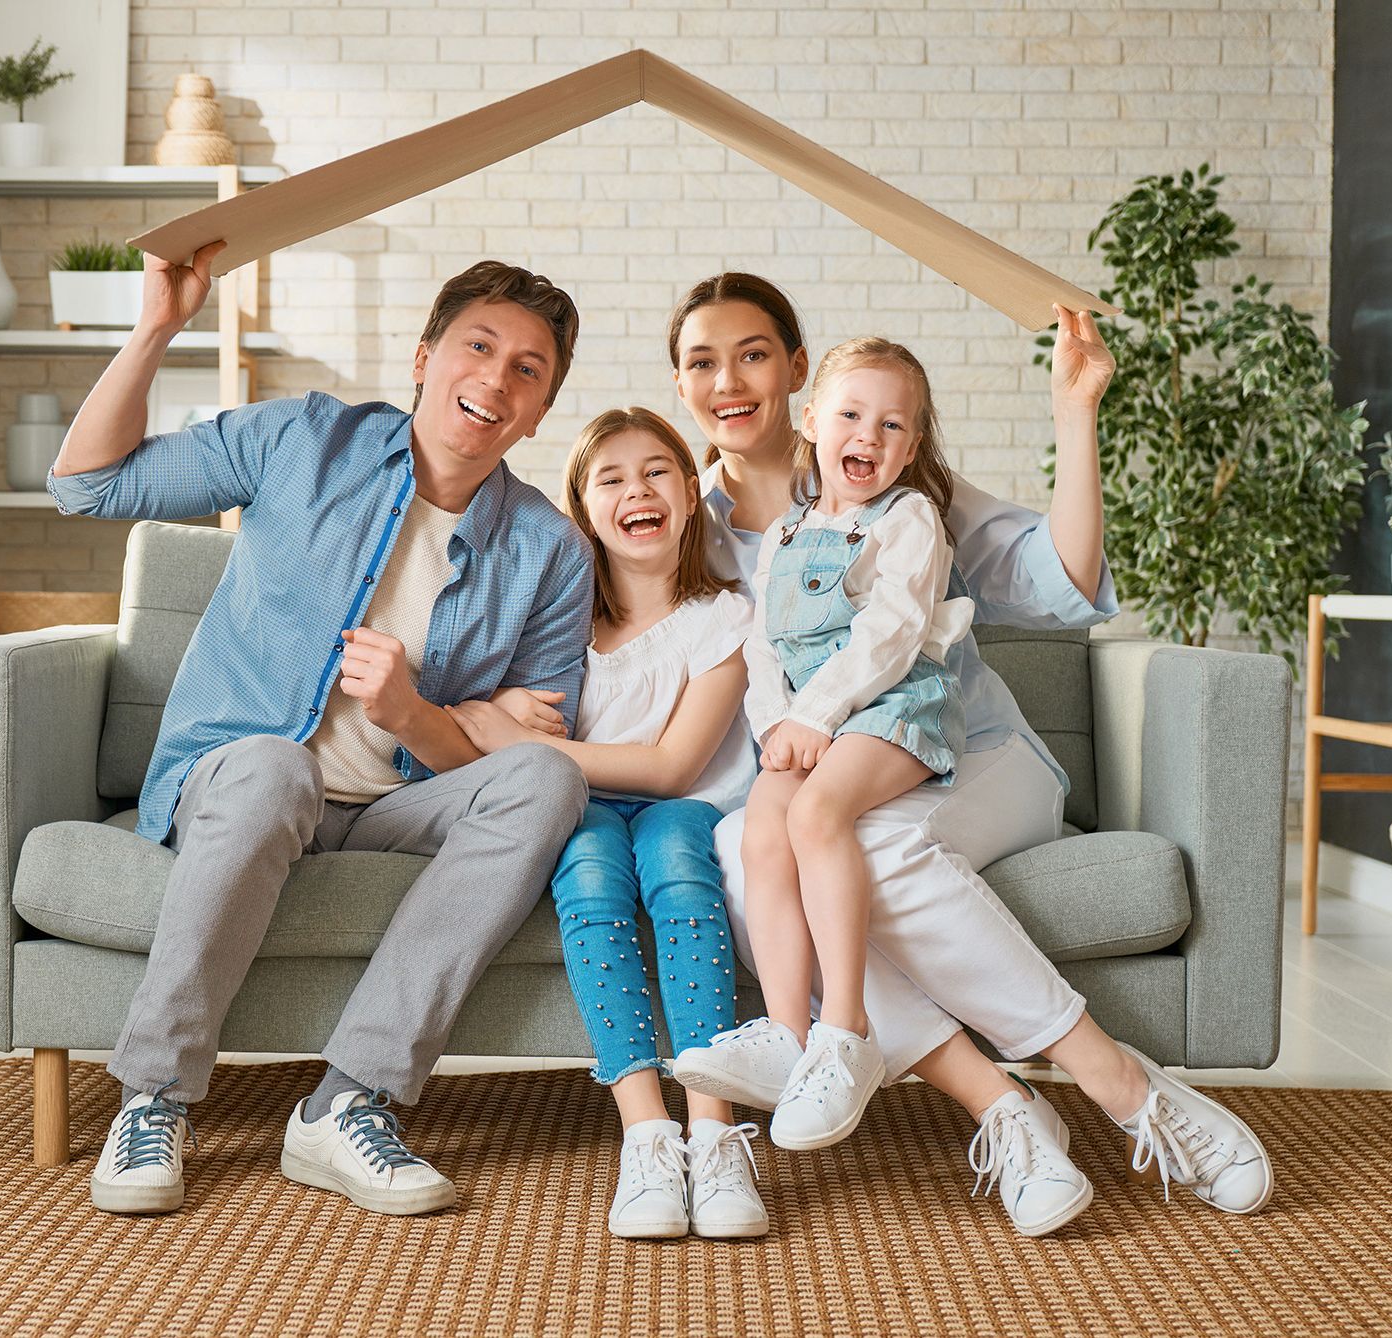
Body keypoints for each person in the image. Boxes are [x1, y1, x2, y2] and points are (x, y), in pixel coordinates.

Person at [666, 273, 1272, 1237]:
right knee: (747, 847)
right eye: (703, 361)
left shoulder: (907, 498)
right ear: (681, 382)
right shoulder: (683, 522)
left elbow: (1062, 580)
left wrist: (1077, 412)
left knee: (864, 849)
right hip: (821, 775)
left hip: (967, 756)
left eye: (753, 355)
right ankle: (1005, 1109)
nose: (729, 381)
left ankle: (1121, 1084)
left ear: (795, 372)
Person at [49, 248, 595, 1219]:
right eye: (478, 347)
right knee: (275, 768)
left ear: (540, 410)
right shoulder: (304, 439)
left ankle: (347, 1105)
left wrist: (415, 715)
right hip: (245, 782)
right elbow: (86, 486)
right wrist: (157, 327)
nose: (496, 379)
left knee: (551, 781)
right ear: (424, 358)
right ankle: (154, 1097)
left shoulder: (549, 550)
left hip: (397, 809)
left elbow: (523, 752)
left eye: (528, 369)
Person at [448, 407, 765, 1240]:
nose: (637, 491)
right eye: (612, 479)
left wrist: (525, 744)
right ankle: (646, 1134)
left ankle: (713, 1132)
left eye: (657, 472)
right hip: (583, 807)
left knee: (680, 870)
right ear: (584, 509)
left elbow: (673, 768)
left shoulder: (725, 618)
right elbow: (475, 697)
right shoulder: (559, 625)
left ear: (691, 494)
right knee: (589, 878)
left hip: (685, 806)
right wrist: (507, 711)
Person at [716, 337, 976, 1154]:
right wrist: (775, 727)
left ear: (913, 444)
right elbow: (762, 647)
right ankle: (785, 1035)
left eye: (893, 425)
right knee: (763, 827)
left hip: (895, 707)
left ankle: (844, 1029)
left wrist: (817, 718)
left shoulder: (908, 519)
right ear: (811, 422)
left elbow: (890, 635)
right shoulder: (785, 535)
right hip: (806, 720)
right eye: (852, 415)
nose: (870, 435)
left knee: (816, 814)